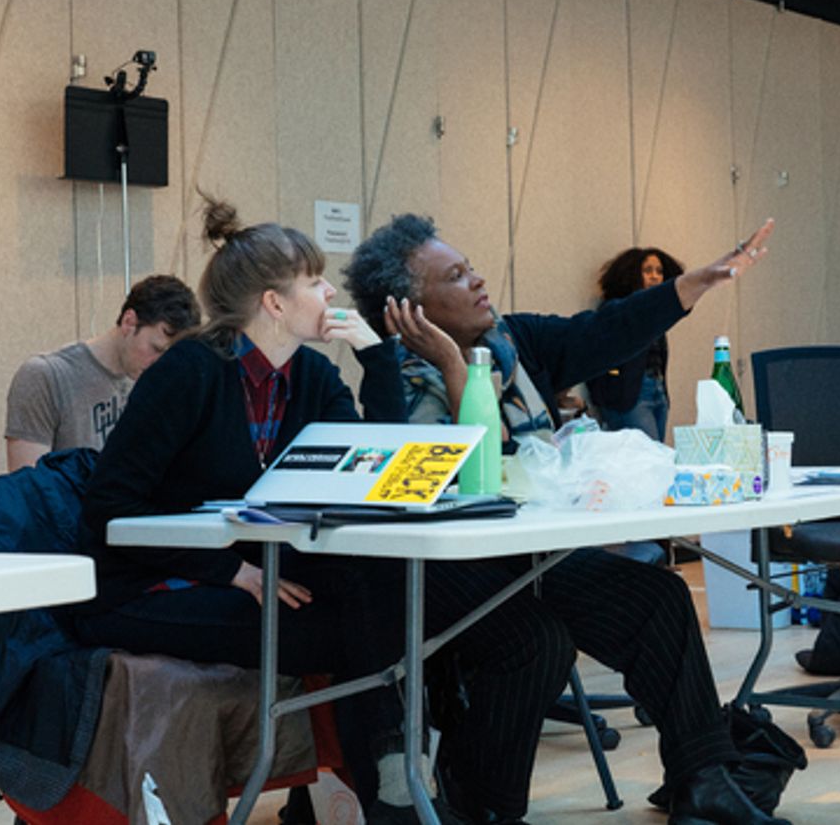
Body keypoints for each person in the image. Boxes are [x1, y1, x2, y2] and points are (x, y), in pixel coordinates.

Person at [72, 198, 521, 824]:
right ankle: (394, 792)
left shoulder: (307, 374)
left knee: (381, 590)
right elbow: (109, 508)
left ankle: (393, 790)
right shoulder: (190, 372)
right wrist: (229, 571)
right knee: (367, 625)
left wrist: (375, 358)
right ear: (273, 303)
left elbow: (382, 474)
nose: (329, 292)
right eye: (314, 280)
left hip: (259, 574)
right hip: (152, 584)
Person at [344, 212, 786, 825]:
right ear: (409, 310)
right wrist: (453, 367)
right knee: (535, 642)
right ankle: (486, 808)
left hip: (527, 556)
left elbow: (603, 330)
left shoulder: (512, 341)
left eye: (470, 266)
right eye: (455, 275)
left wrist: (697, 283)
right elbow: (464, 476)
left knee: (658, 597)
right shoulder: (390, 378)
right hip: (441, 571)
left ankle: (702, 783)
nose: (477, 280)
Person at [4, 274, 200, 470]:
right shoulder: (45, 376)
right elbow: (28, 490)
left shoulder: (154, 382)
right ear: (129, 322)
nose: (160, 364)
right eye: (156, 349)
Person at [586, 246, 685, 442]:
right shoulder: (617, 309)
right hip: (630, 394)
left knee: (657, 455)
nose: (655, 277)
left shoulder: (656, 314)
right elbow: (596, 355)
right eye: (648, 271)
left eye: (659, 271)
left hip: (657, 389)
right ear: (632, 274)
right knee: (645, 458)